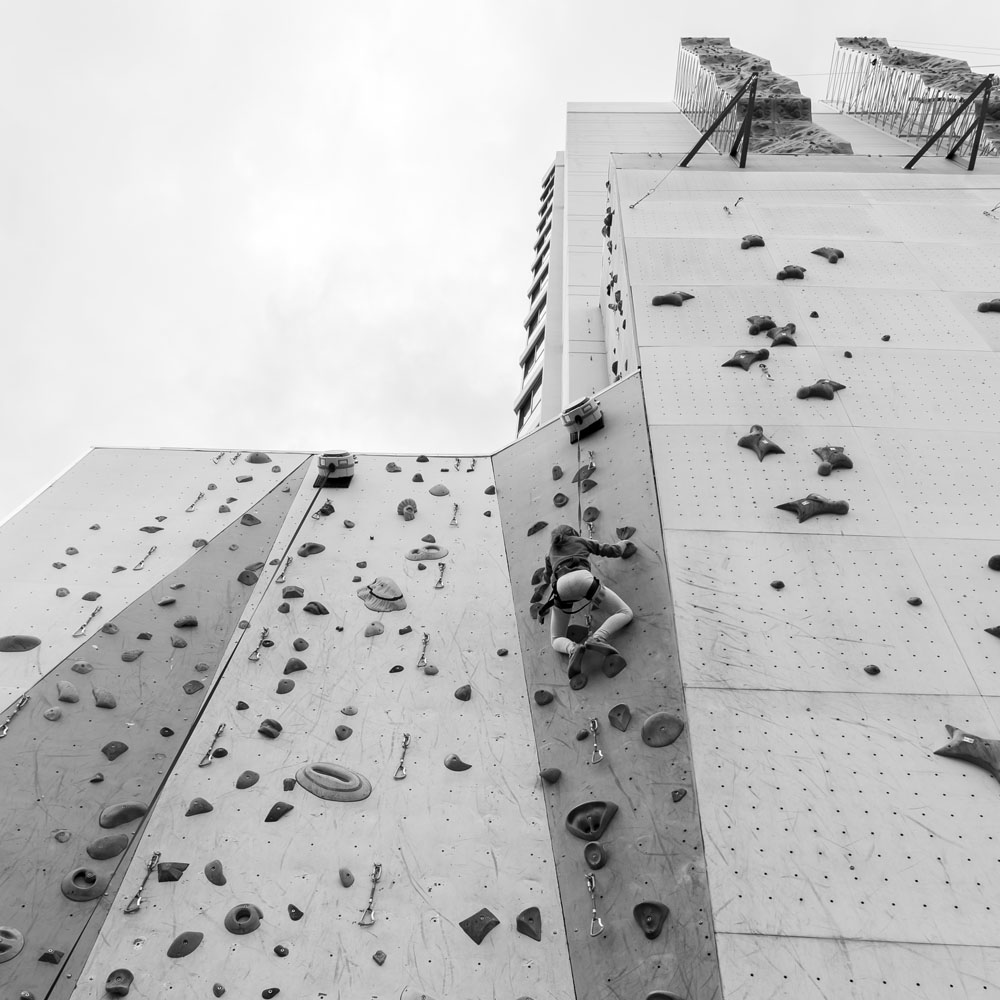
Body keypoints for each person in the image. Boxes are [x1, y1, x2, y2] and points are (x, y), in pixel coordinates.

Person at [541, 524, 633, 676]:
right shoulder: (581, 541)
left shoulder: (550, 552)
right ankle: (598, 638)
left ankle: (572, 649)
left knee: (556, 638)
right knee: (624, 612)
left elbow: (546, 576)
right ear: (573, 533)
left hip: (560, 589)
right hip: (583, 580)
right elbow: (612, 551)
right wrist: (623, 544)